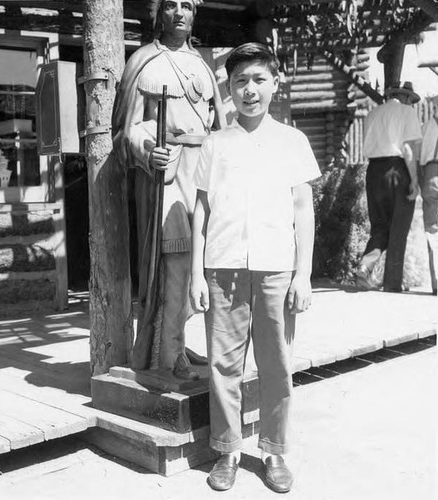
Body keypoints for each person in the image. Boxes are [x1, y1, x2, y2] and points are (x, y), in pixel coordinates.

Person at [190, 43, 320, 493]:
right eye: (241, 81)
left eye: (259, 80)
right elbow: (201, 213)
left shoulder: (293, 142)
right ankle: (227, 450)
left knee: (276, 365)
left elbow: (303, 210)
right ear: (229, 89)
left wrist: (303, 274)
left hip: (276, 269)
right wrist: (195, 275)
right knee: (223, 366)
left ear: (275, 85)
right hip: (222, 269)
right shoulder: (215, 143)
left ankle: (273, 451)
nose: (250, 90)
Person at [112, 0, 225, 379]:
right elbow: (125, 131)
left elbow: (216, 128)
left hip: (204, 171)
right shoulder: (143, 61)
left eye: (187, 6)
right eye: (171, 5)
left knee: (207, 263)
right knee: (176, 263)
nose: (179, 12)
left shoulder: (203, 66)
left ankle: (182, 343)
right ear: (158, 14)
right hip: (169, 174)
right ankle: (167, 355)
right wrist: (148, 150)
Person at [355, 81, 422, 292]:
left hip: (374, 170)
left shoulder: (373, 113)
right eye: (411, 100)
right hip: (397, 169)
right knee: (399, 228)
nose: (411, 103)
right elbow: (409, 149)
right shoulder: (407, 113)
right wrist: (414, 179)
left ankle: (365, 266)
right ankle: (392, 284)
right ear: (406, 97)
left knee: (380, 225)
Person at [418, 94, 438, 296]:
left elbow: (419, 158)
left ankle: (437, 282)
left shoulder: (426, 127)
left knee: (433, 230)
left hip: (431, 175)